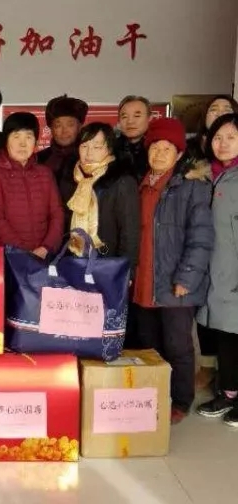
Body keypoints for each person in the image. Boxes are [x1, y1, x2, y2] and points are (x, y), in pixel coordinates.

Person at [131, 117, 213, 424]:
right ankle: (153, 396)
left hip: (175, 282)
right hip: (144, 280)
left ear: (179, 154)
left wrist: (186, 278)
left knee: (177, 345)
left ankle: (180, 400)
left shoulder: (192, 188)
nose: (160, 153)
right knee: (149, 345)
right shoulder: (140, 185)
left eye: (167, 148)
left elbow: (201, 237)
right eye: (155, 147)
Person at [193, 95, 238, 389]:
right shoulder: (208, 175)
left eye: (231, 137)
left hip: (231, 270)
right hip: (212, 267)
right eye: (218, 138)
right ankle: (227, 388)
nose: (223, 144)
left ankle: (230, 393)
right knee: (220, 330)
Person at [0, 112, 64, 257]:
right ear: (6, 140)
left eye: (28, 137)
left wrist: (46, 247)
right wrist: (25, 252)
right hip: (8, 257)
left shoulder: (45, 173)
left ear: (36, 141)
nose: (22, 144)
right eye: (16, 136)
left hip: (43, 256)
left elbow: (57, 214)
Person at [58, 122, 140, 265]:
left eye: (97, 147)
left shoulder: (121, 181)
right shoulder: (70, 178)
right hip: (74, 261)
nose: (89, 153)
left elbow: (130, 234)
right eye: (84, 146)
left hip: (107, 264)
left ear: (110, 149)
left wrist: (125, 270)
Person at [37, 95, 88, 182]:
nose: (64, 131)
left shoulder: (90, 157)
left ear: (80, 126)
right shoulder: (38, 159)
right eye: (58, 125)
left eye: (70, 125)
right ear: (50, 128)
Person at [116, 95, 154, 180]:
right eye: (124, 117)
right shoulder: (109, 149)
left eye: (137, 116)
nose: (130, 121)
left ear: (150, 118)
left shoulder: (158, 149)